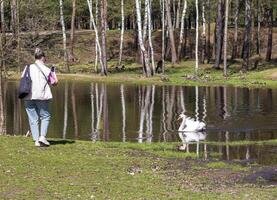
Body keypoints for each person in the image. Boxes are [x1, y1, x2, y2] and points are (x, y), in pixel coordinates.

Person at [22, 48, 56, 147]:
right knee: (45, 116)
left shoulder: (27, 67)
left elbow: (23, 78)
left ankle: (36, 141)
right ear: (42, 57)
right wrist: (54, 72)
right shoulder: (46, 69)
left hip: (28, 95)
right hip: (42, 96)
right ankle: (42, 137)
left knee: (33, 118)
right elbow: (54, 83)